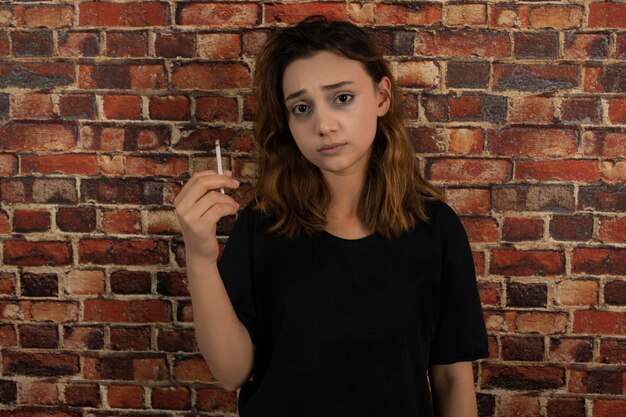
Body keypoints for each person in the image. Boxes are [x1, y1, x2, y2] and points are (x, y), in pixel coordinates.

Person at [174, 15, 488, 417]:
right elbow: (232, 373)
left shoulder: (436, 228)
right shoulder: (261, 225)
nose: (323, 124)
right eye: (301, 107)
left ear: (381, 96)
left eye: (342, 98)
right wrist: (200, 260)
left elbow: (451, 379)